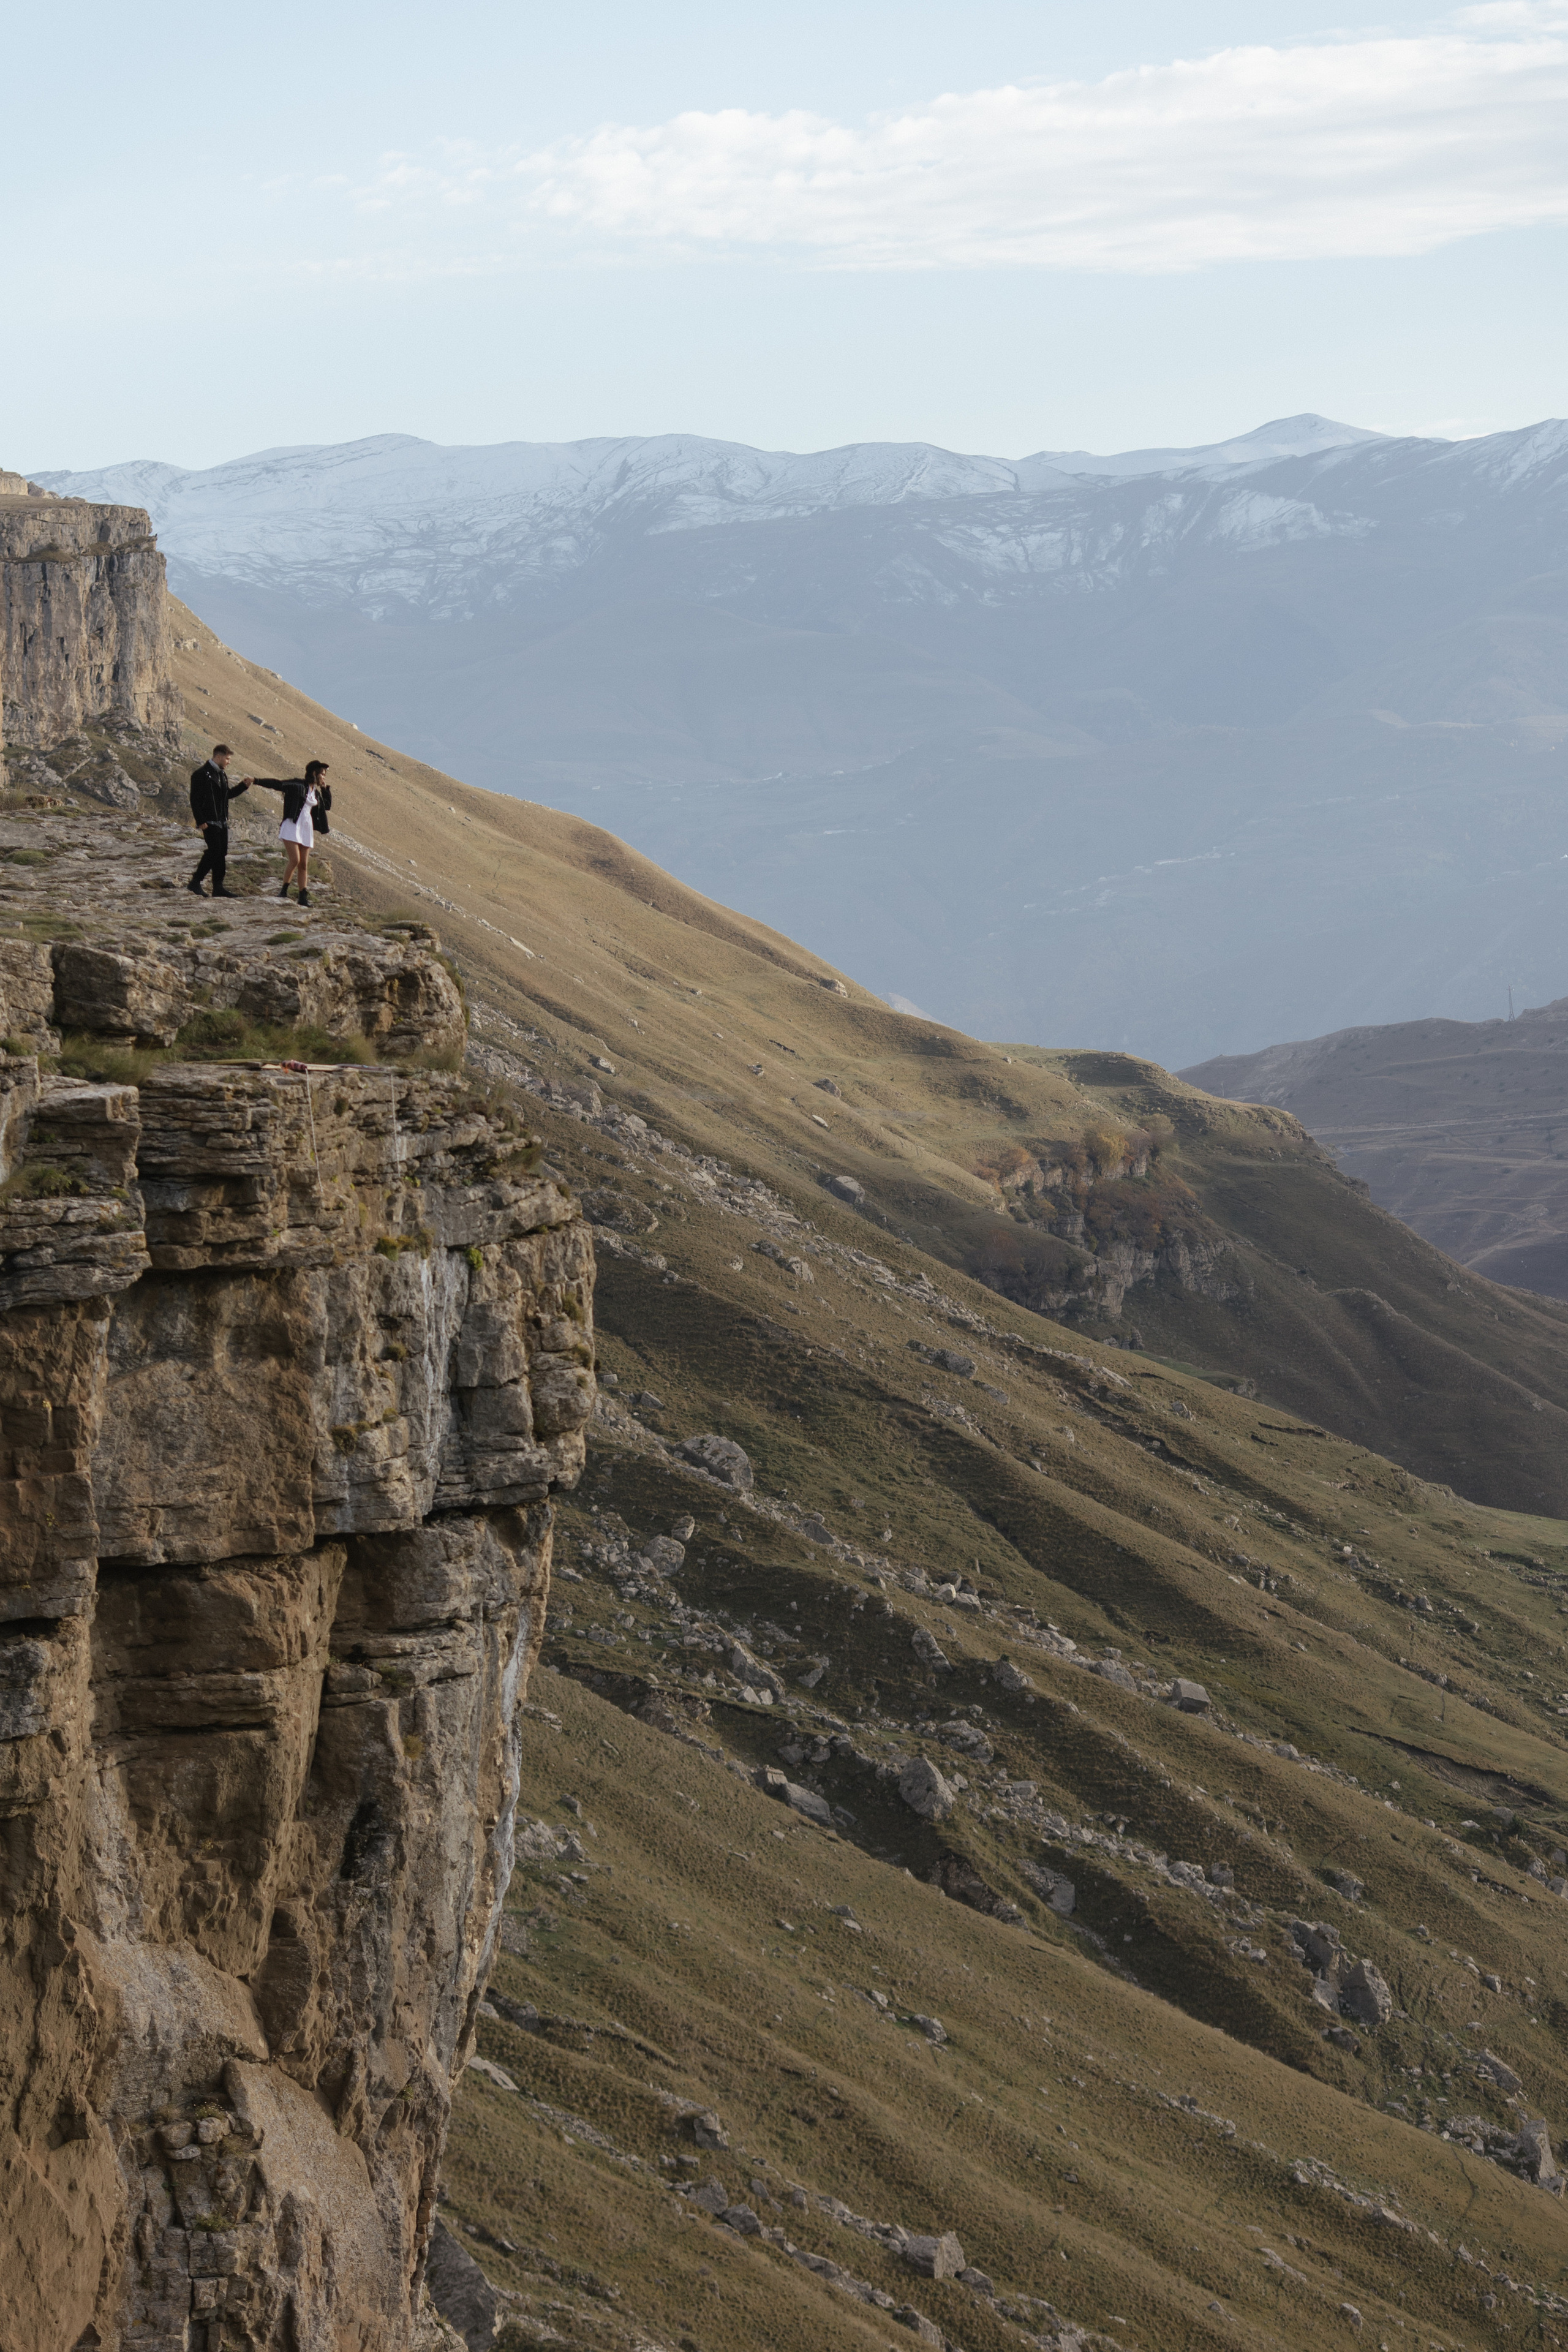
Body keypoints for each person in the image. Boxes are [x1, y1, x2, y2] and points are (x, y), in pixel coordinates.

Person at [252, 761, 331, 905]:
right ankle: (284, 890)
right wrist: (256, 781)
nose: (324, 778)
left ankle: (303, 897)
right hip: (292, 825)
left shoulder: (316, 793)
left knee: (304, 865)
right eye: (322, 774)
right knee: (295, 860)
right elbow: (278, 784)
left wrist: (326, 789)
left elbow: (327, 806)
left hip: (306, 828)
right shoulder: (298, 785)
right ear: (314, 773)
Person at [188, 744, 253, 896]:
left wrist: (243, 786)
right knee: (214, 850)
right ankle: (195, 882)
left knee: (221, 852)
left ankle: (218, 887)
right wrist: (200, 820)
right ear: (218, 757)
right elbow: (195, 800)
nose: (229, 762)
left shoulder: (222, 775)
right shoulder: (201, 774)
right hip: (209, 821)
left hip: (222, 821)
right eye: (227, 758)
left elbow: (227, 795)